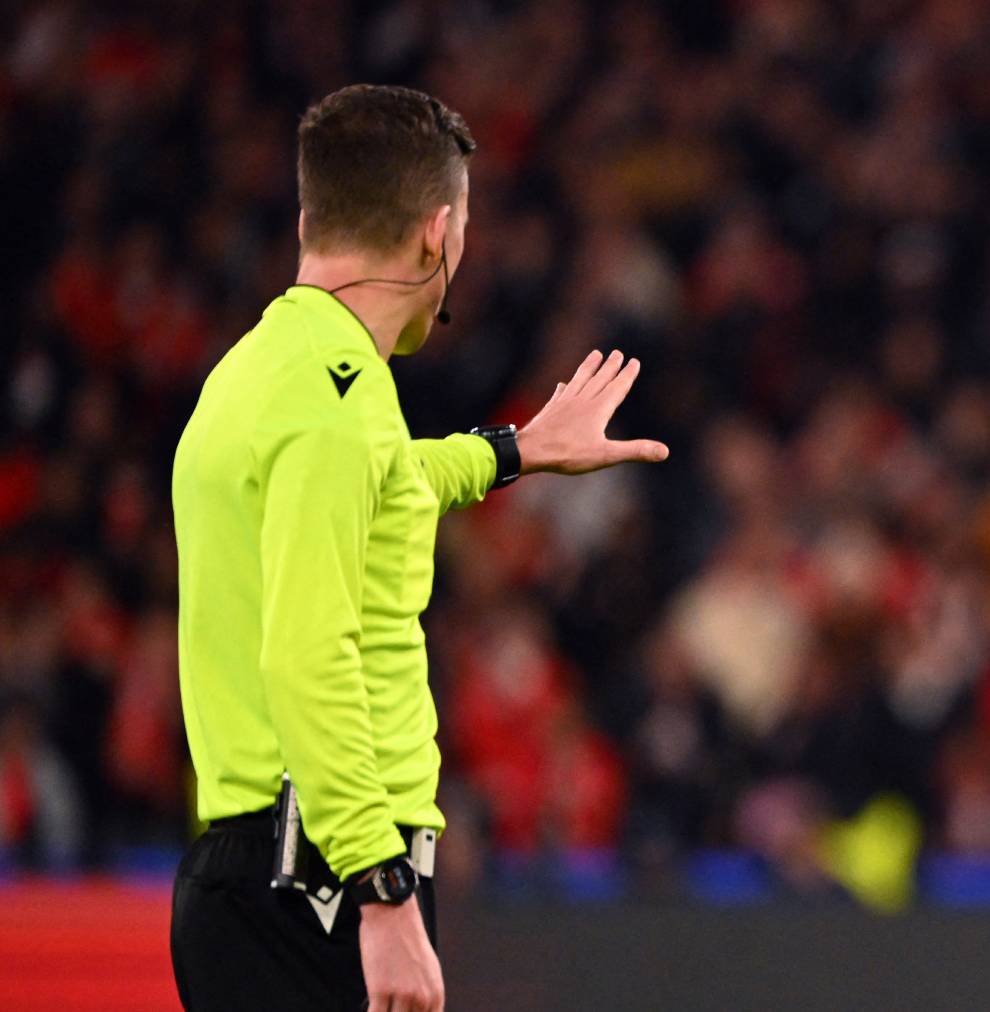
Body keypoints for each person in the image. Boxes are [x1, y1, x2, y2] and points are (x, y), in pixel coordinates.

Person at [169, 84, 668, 1012]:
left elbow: (386, 482)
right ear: (437, 234)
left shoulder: (262, 372)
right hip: (319, 881)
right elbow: (308, 654)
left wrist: (515, 450)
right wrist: (384, 891)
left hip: (269, 873)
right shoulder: (338, 408)